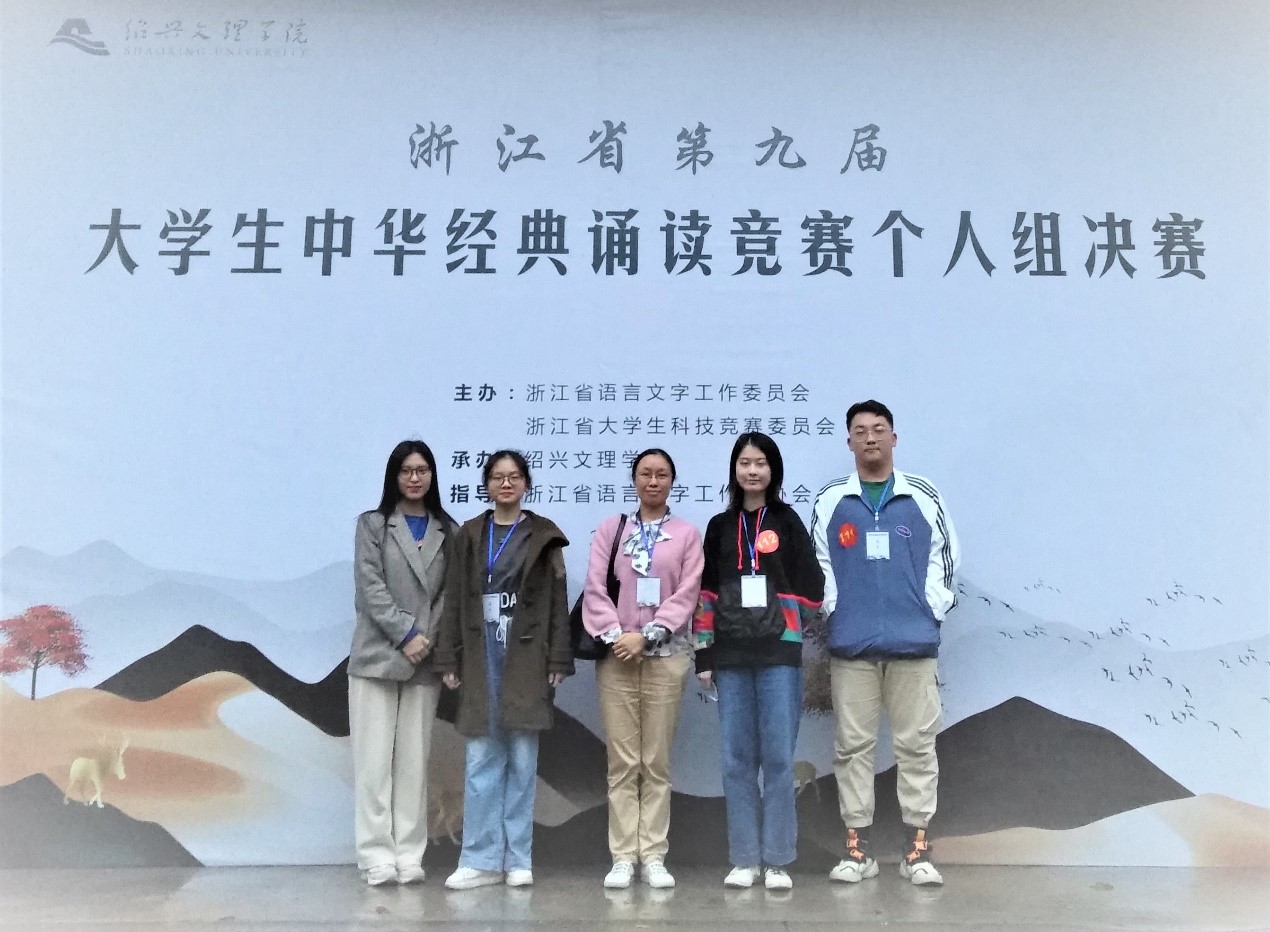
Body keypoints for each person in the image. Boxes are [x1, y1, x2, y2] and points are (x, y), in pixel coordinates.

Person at [809, 400, 960, 886]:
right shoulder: (832, 499)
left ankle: (917, 851)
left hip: (913, 645)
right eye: (860, 431)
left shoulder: (922, 495)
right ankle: (857, 850)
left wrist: (929, 610)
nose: (870, 437)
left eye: (879, 429)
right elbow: (818, 564)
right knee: (852, 748)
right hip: (852, 648)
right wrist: (837, 613)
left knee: (917, 746)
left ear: (894, 438)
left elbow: (945, 558)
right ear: (848, 441)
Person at [433, 450, 573, 890]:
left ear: (526, 483)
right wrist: (449, 657)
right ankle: (479, 859)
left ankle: (518, 859)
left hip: (527, 657)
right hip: (481, 656)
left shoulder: (543, 536)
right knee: (480, 760)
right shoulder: (471, 534)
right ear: (487, 485)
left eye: (514, 477)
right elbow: (454, 599)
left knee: (522, 762)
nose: (506, 484)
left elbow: (557, 602)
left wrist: (558, 659)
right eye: (497, 477)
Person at [694, 433, 824, 890]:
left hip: (778, 655)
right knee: (736, 759)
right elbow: (706, 592)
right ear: (734, 470)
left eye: (761, 463)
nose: (752, 471)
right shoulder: (719, 526)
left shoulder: (788, 522)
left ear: (773, 470)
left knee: (779, 760)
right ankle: (745, 859)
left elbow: (814, 584)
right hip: (730, 656)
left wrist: (786, 620)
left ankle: (778, 860)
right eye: (745, 463)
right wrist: (705, 653)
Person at [582, 449, 703, 890]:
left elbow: (687, 593)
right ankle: (622, 857)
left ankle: (652, 854)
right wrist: (620, 637)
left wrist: (648, 635)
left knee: (655, 761)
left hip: (666, 659)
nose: (653, 481)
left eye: (662, 474)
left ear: (672, 481)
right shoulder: (611, 529)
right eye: (646, 474)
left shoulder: (686, 534)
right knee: (622, 762)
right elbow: (595, 588)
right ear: (634, 480)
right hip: (617, 659)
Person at [350, 440, 456, 886]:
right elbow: (370, 588)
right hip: (377, 656)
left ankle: (410, 853)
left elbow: (449, 595)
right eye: (406, 470)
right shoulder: (373, 524)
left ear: (432, 476)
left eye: (422, 470)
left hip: (424, 660)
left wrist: (424, 639)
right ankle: (375, 854)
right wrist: (407, 634)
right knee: (373, 764)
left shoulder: (447, 529)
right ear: (394, 476)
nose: (415, 478)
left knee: (414, 764)